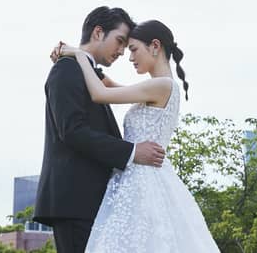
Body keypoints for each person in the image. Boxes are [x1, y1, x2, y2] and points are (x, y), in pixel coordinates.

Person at [54, 19, 220, 252]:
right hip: (138, 178)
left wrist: (80, 55)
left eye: (133, 49)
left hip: (142, 180)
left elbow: (100, 93)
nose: (129, 57)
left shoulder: (162, 85)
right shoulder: (157, 87)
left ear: (154, 46)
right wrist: (76, 54)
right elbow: (109, 84)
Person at [33, 6, 166, 253]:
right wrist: (132, 152)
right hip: (75, 202)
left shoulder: (84, 70)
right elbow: (72, 131)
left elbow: (104, 85)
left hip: (91, 201)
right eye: (119, 41)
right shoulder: (66, 69)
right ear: (98, 32)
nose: (122, 51)